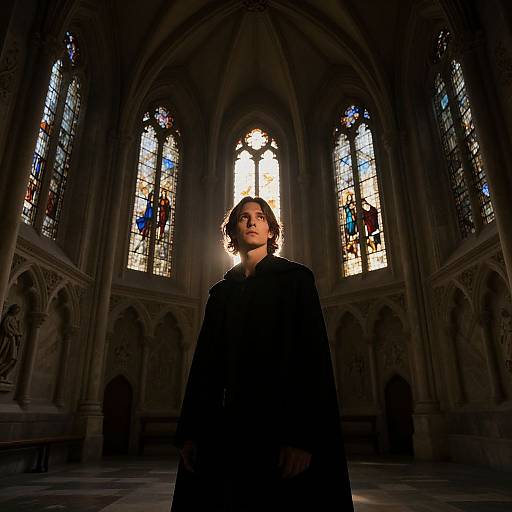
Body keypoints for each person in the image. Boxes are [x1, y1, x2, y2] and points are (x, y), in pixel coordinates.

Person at [170, 196, 353, 512]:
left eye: (260, 217)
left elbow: (312, 362)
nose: (252, 222)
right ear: (233, 232)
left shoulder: (296, 281)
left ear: (271, 231)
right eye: (243, 217)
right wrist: (191, 434)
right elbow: (204, 369)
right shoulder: (221, 294)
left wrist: (302, 438)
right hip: (226, 432)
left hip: (279, 429)